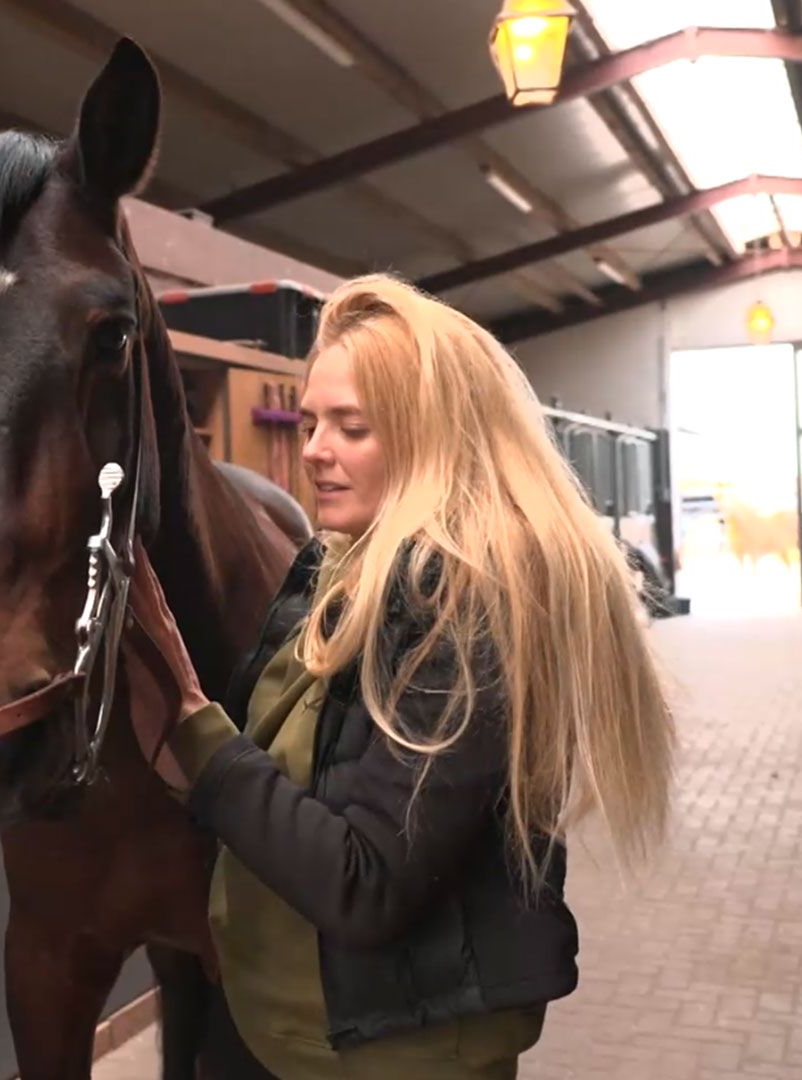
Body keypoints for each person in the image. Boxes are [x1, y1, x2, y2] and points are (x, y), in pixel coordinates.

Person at [123, 274, 677, 1078]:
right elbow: (281, 776)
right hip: (285, 1030)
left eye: (353, 427)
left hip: (387, 1050)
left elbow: (365, 882)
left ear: (434, 439)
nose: (314, 450)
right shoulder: (339, 566)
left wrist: (194, 727)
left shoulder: (474, 610)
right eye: (313, 422)